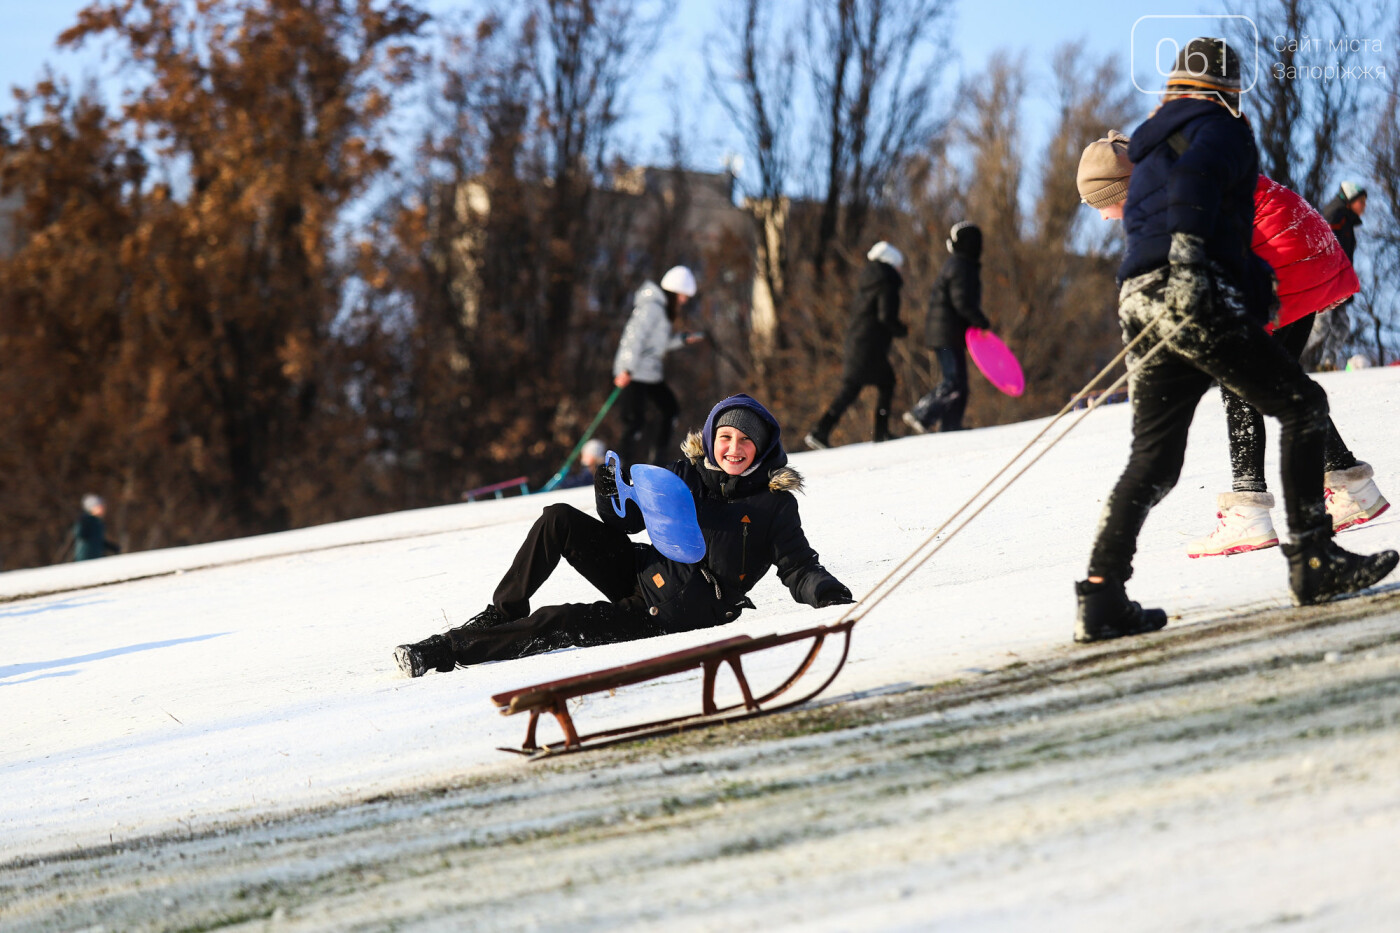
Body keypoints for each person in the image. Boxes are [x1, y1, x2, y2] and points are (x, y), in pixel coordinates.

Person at [1072, 38, 1397, 644]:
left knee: (1153, 460)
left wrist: (1235, 284)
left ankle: (1101, 596)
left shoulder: (1149, 150)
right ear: (1228, 87)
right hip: (1195, 288)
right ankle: (1313, 560)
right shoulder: (1217, 130)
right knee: (1300, 405)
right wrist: (1203, 271)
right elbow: (1203, 204)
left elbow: (1185, 228)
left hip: (1142, 297)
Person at [1075, 132, 1388, 561]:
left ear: (1119, 190)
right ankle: (1352, 485)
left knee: (1238, 380)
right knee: (1277, 382)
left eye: (1100, 206)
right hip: (1305, 253)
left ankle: (1249, 512)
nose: (1105, 219)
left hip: (1283, 261)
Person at [395, 394, 854, 677]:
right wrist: (610, 495)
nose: (734, 449)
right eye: (727, 437)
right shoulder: (687, 474)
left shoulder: (773, 504)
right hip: (642, 570)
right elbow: (629, 523)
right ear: (713, 437)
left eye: (746, 441)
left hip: (672, 612)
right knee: (558, 517)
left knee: (560, 620)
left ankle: (447, 651)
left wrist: (825, 591)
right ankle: (500, 614)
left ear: (763, 447)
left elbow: (798, 566)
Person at [805, 241, 907, 449]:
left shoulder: (869, 281)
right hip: (870, 345)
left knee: (852, 388)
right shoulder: (887, 281)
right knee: (885, 383)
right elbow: (886, 315)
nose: (900, 270)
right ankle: (881, 432)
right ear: (891, 263)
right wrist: (900, 329)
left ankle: (821, 431)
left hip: (858, 342)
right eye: (898, 265)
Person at [612, 265, 705, 466]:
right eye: (682, 295)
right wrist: (626, 369)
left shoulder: (661, 310)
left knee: (670, 409)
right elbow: (633, 338)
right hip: (634, 372)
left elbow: (658, 345)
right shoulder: (651, 308)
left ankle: (659, 458)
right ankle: (618, 468)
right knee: (634, 422)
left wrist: (682, 339)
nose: (684, 300)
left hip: (650, 374)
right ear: (673, 292)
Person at [903, 222, 991, 434]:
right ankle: (922, 414)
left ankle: (951, 425)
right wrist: (980, 320)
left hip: (949, 333)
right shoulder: (960, 266)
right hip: (945, 334)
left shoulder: (961, 265)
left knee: (960, 384)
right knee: (953, 381)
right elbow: (960, 301)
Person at [1305, 181, 1369, 369]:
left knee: (1341, 326)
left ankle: (1327, 363)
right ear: (1350, 200)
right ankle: (1284, 359)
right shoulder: (1335, 215)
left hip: (1338, 284)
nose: (1364, 206)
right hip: (1326, 282)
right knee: (1320, 327)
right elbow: (1321, 246)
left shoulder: (1346, 220)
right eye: (1361, 202)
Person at [73, 494, 119, 561]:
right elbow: (79, 534)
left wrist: (112, 547)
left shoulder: (98, 522)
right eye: (100, 506)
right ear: (92, 508)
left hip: (97, 558)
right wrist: (82, 523)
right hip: (85, 558)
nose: (103, 508)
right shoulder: (86, 520)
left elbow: (97, 540)